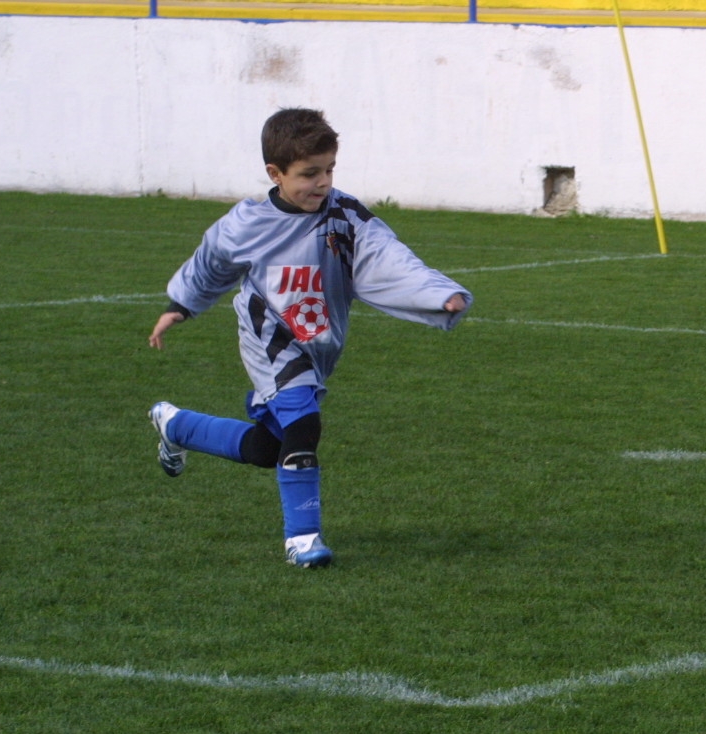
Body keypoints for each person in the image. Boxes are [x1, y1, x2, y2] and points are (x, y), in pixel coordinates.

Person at [147, 107, 471, 568]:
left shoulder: (344, 214)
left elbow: (387, 256)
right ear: (275, 174)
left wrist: (438, 293)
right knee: (304, 425)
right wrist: (179, 306)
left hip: (319, 342)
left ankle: (177, 426)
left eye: (329, 170)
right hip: (270, 335)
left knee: (268, 449)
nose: (322, 183)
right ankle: (302, 540)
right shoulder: (246, 224)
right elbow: (210, 263)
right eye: (309, 174)